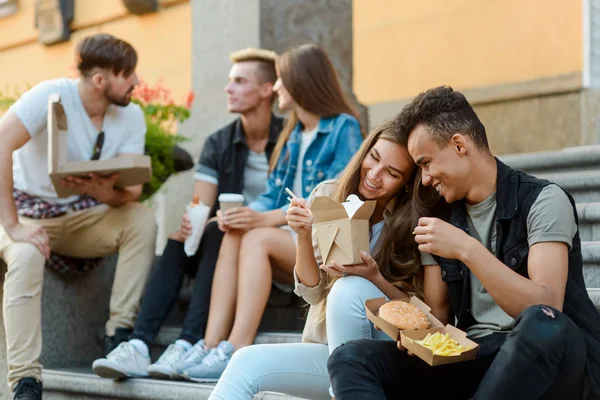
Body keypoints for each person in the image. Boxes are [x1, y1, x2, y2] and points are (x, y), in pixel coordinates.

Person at [327, 86, 600, 400]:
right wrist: (414, 331)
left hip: (549, 362)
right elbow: (438, 318)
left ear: (458, 144)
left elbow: (546, 306)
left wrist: (467, 249)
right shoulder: (438, 218)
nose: (425, 178)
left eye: (427, 163)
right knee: (351, 358)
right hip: (474, 357)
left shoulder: (543, 200)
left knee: (543, 325)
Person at [207, 120, 447, 400]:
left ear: (406, 183)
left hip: (390, 353)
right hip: (333, 350)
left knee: (350, 288)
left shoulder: (414, 223)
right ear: (364, 152)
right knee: (244, 362)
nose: (375, 175)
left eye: (392, 173)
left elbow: (426, 319)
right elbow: (313, 291)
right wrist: (302, 235)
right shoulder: (328, 196)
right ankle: (343, 388)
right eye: (374, 158)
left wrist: (374, 278)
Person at [91, 48, 284, 380]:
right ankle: (138, 343)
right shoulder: (218, 143)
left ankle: (188, 340)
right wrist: (190, 222)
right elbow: (201, 204)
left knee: (218, 230)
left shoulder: (289, 138)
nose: (228, 88)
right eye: (229, 81)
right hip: (220, 241)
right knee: (183, 237)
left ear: (267, 89)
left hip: (265, 242)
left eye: (239, 81)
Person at [180, 43, 364, 383]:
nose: (277, 86)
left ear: (300, 81)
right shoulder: (294, 134)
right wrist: (244, 215)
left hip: (320, 245)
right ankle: (209, 345)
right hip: (289, 242)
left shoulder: (344, 128)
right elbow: (270, 194)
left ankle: (235, 348)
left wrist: (263, 220)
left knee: (258, 237)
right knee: (237, 231)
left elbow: (334, 199)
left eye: (281, 79)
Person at [0, 34, 157, 400]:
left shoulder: (130, 115)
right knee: (24, 255)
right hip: (27, 213)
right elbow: (1, 144)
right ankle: (26, 381)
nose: (136, 81)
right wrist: (12, 225)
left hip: (82, 216)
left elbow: (131, 193)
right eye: (128, 74)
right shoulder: (49, 95)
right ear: (101, 79)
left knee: (142, 219)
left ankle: (118, 334)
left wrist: (100, 192)